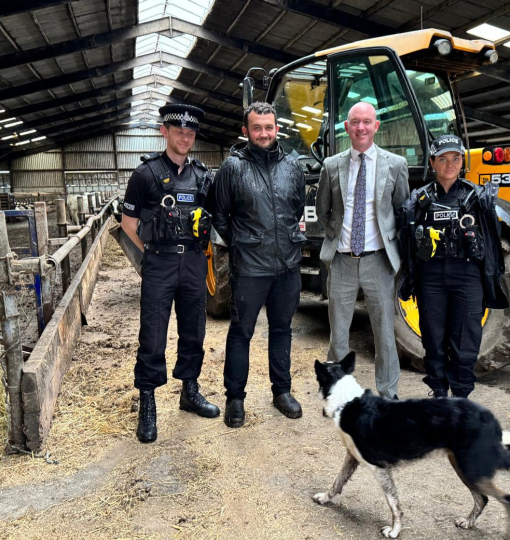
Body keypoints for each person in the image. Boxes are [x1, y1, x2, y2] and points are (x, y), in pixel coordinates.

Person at [121, 103, 220, 444]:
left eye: (190, 133)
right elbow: (128, 224)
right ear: (164, 131)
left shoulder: (203, 176)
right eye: (179, 132)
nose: (185, 138)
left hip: (194, 262)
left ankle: (189, 391)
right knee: (152, 335)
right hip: (160, 264)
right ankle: (147, 403)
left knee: (194, 331)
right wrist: (149, 251)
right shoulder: (145, 174)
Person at [211, 102, 307, 428]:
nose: (263, 133)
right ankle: (235, 398)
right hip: (250, 266)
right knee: (241, 332)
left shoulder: (293, 167)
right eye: (257, 128)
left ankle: (281, 391)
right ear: (246, 131)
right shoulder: (232, 168)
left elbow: (296, 209)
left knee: (282, 330)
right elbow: (219, 216)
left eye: (269, 127)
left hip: (288, 266)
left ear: (276, 128)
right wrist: (243, 242)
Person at [398, 134, 508, 399]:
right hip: (430, 278)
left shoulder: (478, 199)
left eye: (456, 159)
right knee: (433, 339)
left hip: (468, 276)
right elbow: (406, 245)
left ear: (462, 162)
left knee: (465, 341)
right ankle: (438, 392)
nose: (450, 164)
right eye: (444, 159)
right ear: (433, 162)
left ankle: (460, 397)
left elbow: (492, 242)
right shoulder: (417, 201)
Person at [315, 102, 409, 399]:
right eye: (355, 122)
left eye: (367, 122)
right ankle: (336, 393)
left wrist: (390, 243)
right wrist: (336, 236)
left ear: (376, 126)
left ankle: (388, 393)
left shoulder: (395, 165)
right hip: (342, 262)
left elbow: (401, 209)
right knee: (338, 336)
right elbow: (322, 210)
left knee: (384, 335)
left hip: (378, 262)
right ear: (347, 128)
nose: (361, 128)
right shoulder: (332, 166)